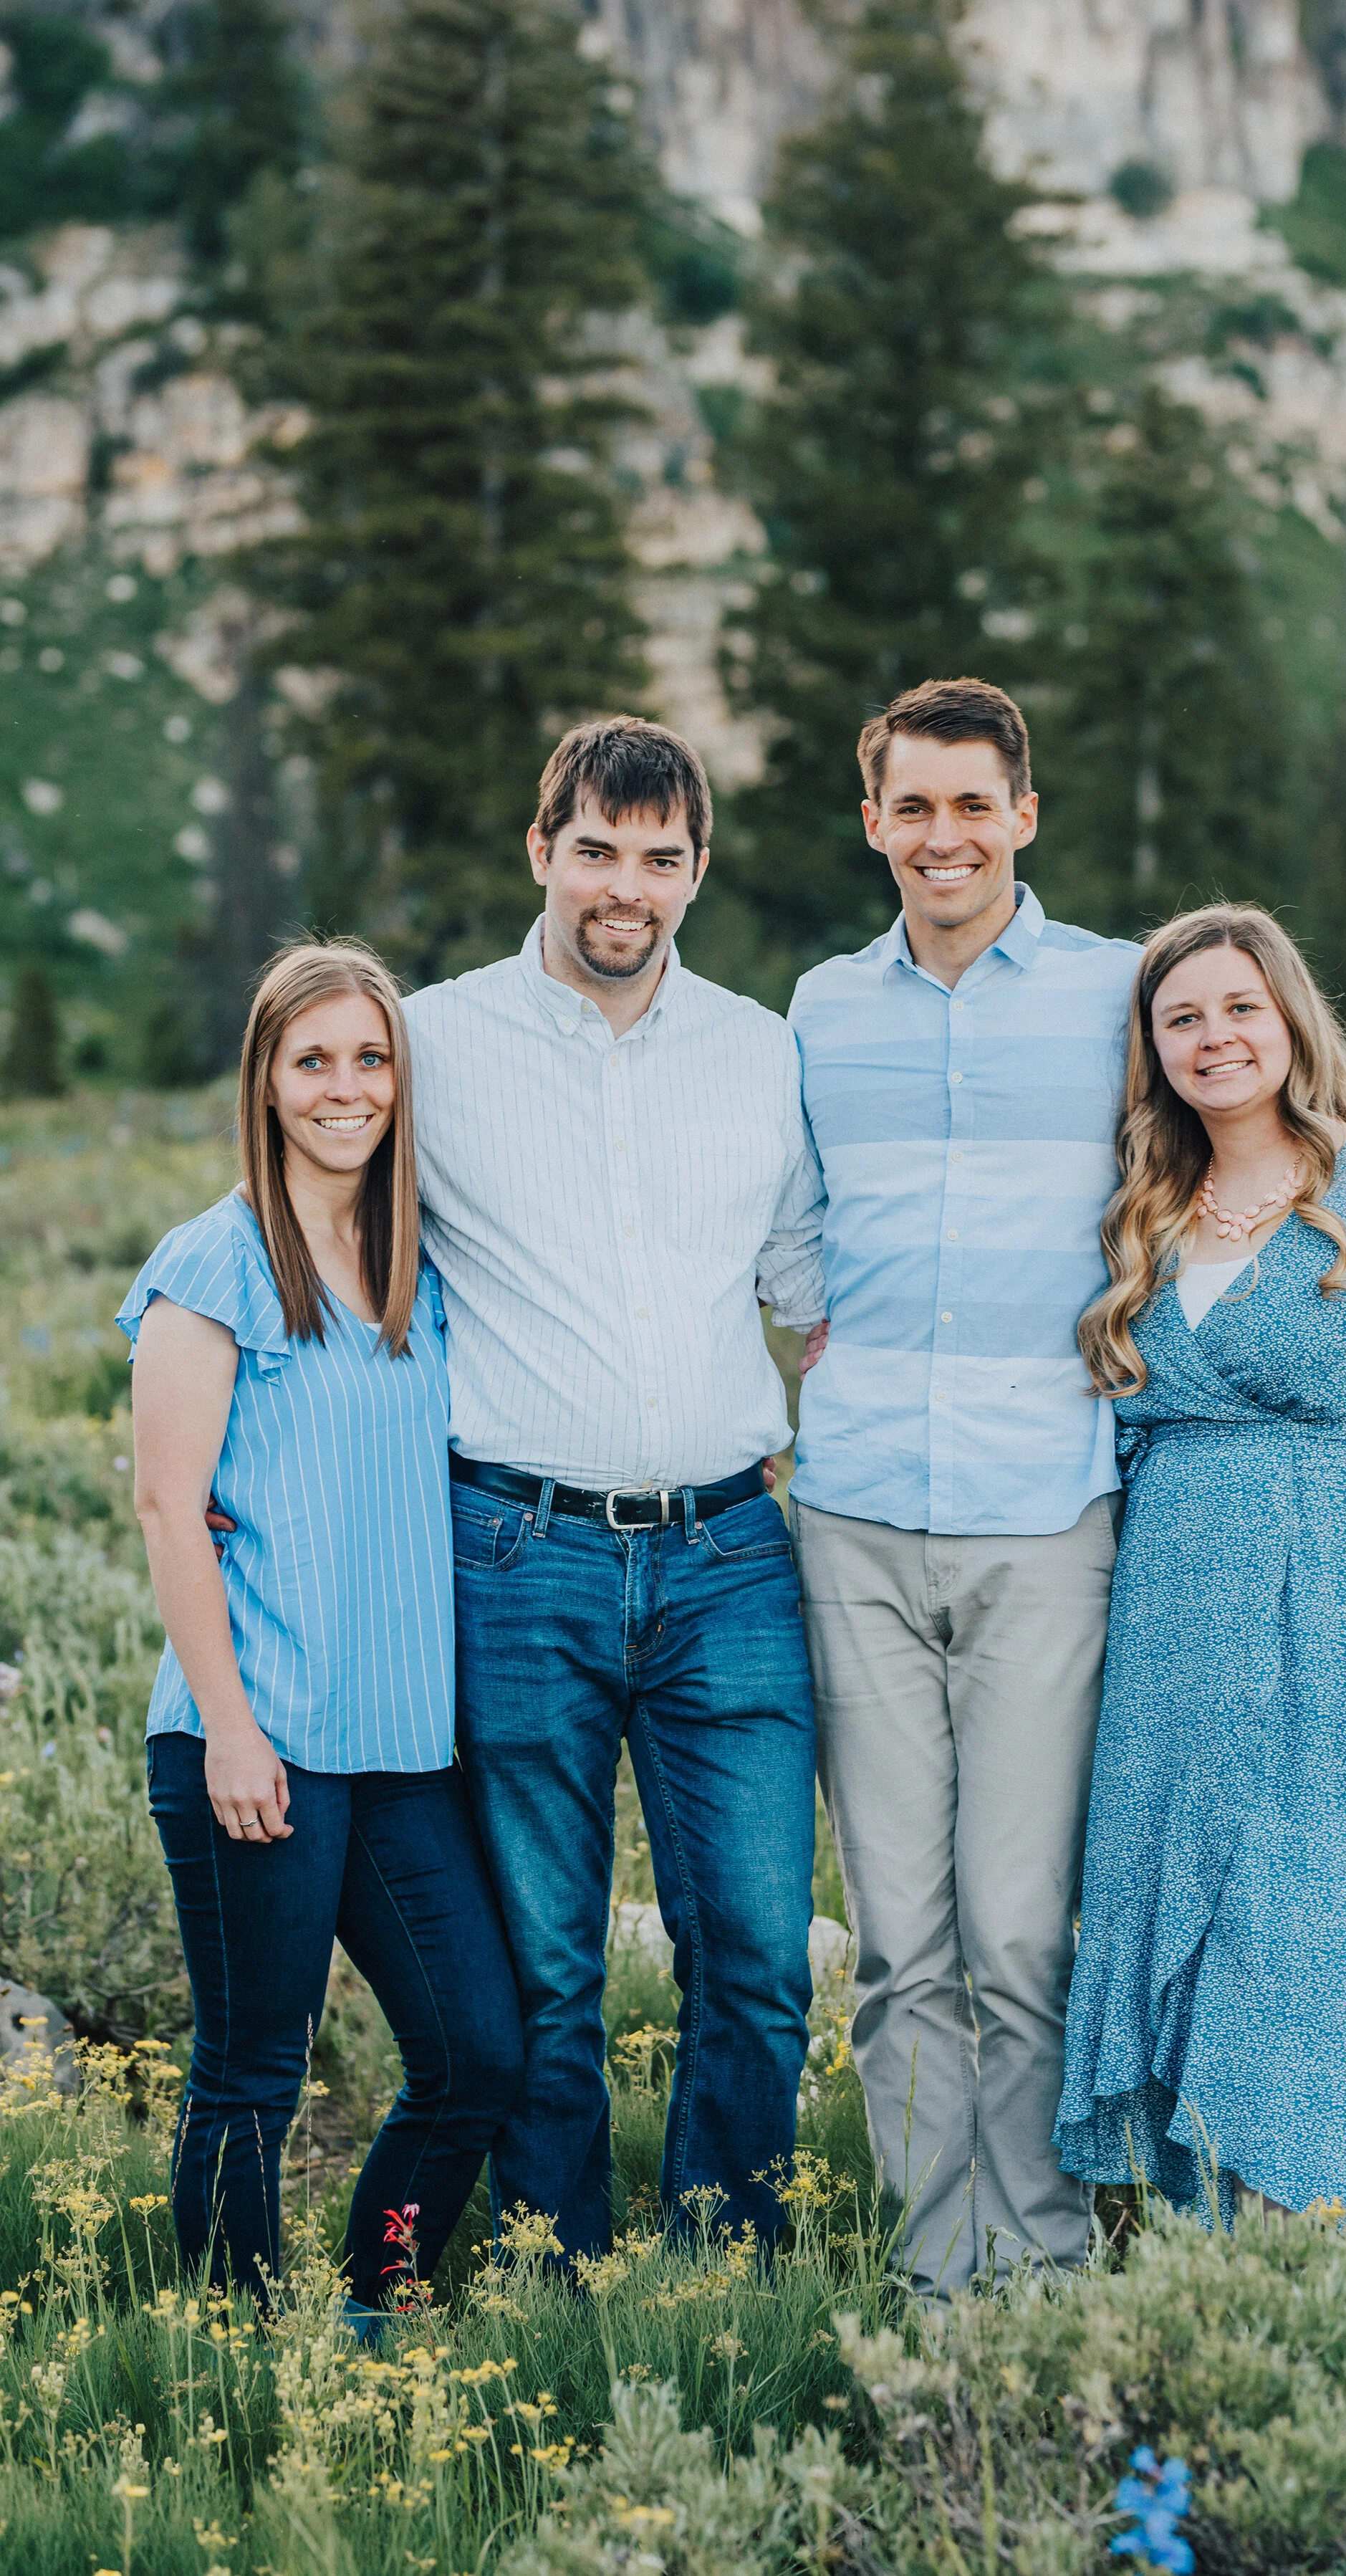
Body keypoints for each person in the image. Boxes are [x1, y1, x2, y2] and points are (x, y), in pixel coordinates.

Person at [401, 714, 825, 2266]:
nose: (624, 887)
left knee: (761, 1953)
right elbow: (315, 1220)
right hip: (518, 1554)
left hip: (731, 1553)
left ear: (699, 869)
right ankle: (554, 2276)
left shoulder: (762, 1050)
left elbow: (812, 1289)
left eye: (659, 858)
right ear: (542, 852)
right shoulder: (434, 1041)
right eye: (596, 851)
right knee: (544, 1966)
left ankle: (727, 2270)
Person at [1053, 904, 1346, 2227]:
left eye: (1240, 1007)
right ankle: (1213, 2276)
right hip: (1169, 1649)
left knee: (1333, 1944)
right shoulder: (1143, 1213)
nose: (1216, 1038)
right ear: (1153, 1048)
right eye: (1182, 1017)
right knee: (1194, 1947)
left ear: (1291, 1019)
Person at [787, 676, 1140, 2293]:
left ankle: (1045, 2276)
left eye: (973, 805)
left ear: (1025, 816)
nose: (945, 837)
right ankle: (943, 2284)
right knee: (898, 1943)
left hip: (1045, 1511)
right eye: (912, 808)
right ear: (874, 823)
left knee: (1013, 1930)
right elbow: (789, 1238)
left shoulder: (1123, 994)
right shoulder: (818, 1008)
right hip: (852, 1512)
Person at [122, 942, 524, 2327]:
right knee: (252, 2071)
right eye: (314, 1061)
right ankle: (235, 2346)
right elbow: (172, 1510)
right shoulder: (215, 1261)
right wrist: (231, 1728)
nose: (345, 1088)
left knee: (476, 2051)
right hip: (261, 1742)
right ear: (268, 1080)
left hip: (406, 1747)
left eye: (370, 1057)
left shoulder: (424, 1263)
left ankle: (378, 2292)